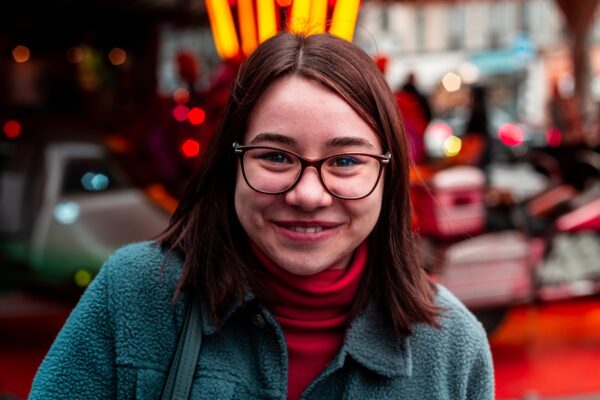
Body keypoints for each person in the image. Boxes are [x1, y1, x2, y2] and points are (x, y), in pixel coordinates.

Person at [30, 32, 494, 399]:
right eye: (275, 157)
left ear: (388, 177)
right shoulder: (133, 295)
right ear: (232, 164)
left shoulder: (452, 347)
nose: (309, 195)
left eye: (346, 161)